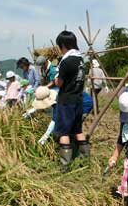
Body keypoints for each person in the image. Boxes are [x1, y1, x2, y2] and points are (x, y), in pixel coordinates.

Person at [54, 30, 89, 171]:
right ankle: (85, 161)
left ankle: (64, 165)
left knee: (64, 132)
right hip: (78, 99)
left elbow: (59, 83)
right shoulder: (80, 60)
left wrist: (56, 78)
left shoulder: (66, 61)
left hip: (66, 100)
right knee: (78, 130)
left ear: (63, 45)